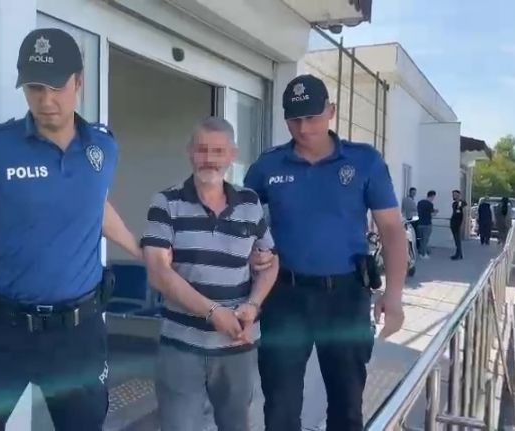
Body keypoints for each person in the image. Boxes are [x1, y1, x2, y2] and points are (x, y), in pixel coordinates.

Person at [0, 28, 142, 431]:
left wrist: (141, 252)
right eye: (35, 88)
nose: (46, 100)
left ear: (79, 81)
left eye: (57, 87)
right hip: (5, 332)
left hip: (78, 334)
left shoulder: (102, 147)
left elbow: (93, 205)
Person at [244, 74, 407, 431]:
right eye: (294, 120)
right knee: (280, 406)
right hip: (285, 298)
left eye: (312, 117)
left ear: (331, 111)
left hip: (345, 297)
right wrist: (252, 253)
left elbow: (393, 231)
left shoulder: (364, 162)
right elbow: (241, 222)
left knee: (347, 404)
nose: (303, 128)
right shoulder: (268, 166)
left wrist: (393, 296)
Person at [141, 117, 279, 431]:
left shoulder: (250, 202)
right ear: (189, 152)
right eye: (202, 149)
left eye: (218, 151)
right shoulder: (166, 203)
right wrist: (214, 312)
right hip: (181, 346)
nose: (209, 159)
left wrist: (253, 304)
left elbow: (271, 262)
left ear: (232, 155)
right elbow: (158, 272)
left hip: (237, 345)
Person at [417, 190, 438, 258]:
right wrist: (436, 212)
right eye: (434, 197)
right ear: (432, 196)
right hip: (427, 224)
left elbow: (421, 212)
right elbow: (431, 214)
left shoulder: (420, 202)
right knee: (425, 240)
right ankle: (423, 254)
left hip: (419, 223)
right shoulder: (430, 204)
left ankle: (420, 252)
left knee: (421, 239)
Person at [450, 190, 468, 260]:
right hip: (453, 222)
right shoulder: (454, 203)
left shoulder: (461, 203)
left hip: (458, 223)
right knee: (456, 239)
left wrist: (463, 223)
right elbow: (455, 212)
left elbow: (463, 212)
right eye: (453, 194)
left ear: (458, 195)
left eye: (455, 194)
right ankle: (459, 254)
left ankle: (459, 254)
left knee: (457, 239)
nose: (453, 196)